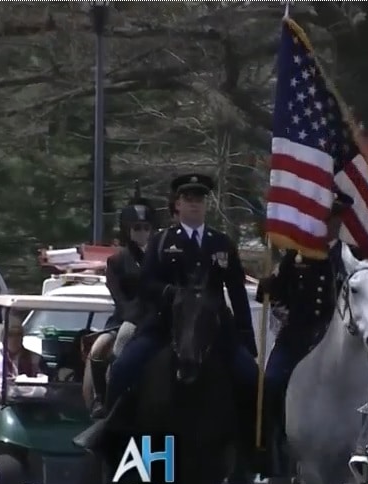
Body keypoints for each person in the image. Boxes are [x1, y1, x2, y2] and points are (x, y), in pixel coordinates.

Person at [105, 173, 260, 462]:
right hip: (165, 325)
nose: (194, 205)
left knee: (251, 377)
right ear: (176, 205)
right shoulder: (162, 241)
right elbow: (146, 284)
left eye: (199, 199)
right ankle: (110, 432)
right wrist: (171, 294)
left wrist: (245, 337)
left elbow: (237, 292)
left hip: (213, 328)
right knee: (123, 367)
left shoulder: (221, 243)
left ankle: (251, 446)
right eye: (188, 199)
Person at [260, 193, 368, 478]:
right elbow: (277, 294)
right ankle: (274, 450)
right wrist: (274, 297)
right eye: (327, 218)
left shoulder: (354, 256)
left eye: (336, 218)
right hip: (299, 337)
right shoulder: (296, 254)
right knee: (273, 381)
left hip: (347, 341)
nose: (331, 224)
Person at [87, 194, 158, 418]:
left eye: (146, 228)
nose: (142, 232)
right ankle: (101, 399)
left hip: (157, 317)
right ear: (128, 230)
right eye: (137, 228)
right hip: (127, 318)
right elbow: (119, 296)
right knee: (99, 349)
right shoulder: (117, 261)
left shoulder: (160, 258)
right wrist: (134, 317)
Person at [0, 315, 44, 471]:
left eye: (19, 335)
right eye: (11, 335)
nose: (16, 339)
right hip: (0, 397)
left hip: (28, 398)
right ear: (4, 337)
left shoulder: (33, 358)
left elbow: (43, 378)